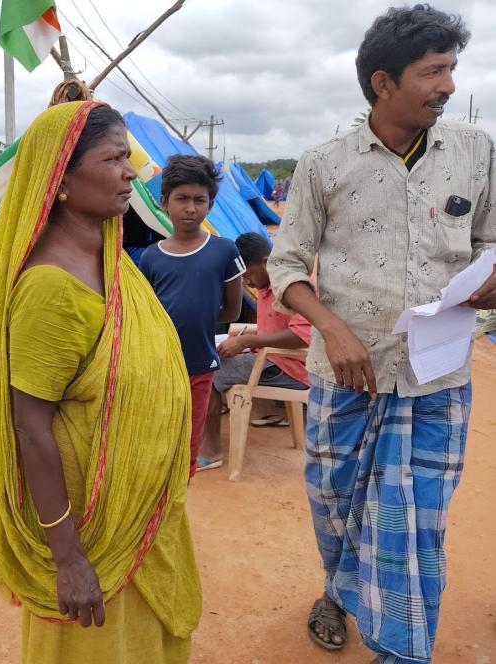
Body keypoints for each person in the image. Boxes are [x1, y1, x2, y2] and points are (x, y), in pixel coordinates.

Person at [268, 6, 496, 663]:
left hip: (437, 379)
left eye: (451, 69)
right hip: (346, 380)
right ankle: (338, 591)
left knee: (413, 526)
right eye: (432, 72)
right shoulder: (322, 165)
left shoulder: (476, 153)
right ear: (381, 82)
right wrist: (332, 329)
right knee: (334, 508)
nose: (448, 85)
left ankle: (398, 648)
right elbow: (286, 264)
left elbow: (491, 239)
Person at [0, 101, 202, 663]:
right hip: (90, 524)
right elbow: (29, 425)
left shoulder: (112, 260)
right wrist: (69, 557)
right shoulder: (50, 289)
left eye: (129, 157)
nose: (131, 171)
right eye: (114, 159)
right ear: (61, 182)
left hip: (138, 506)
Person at [139, 155, 245, 476]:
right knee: (158, 439)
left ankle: (177, 501)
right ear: (163, 202)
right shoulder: (151, 257)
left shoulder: (224, 250)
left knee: (188, 447)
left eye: (200, 200)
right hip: (158, 366)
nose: (190, 208)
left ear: (210, 204)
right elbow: (147, 314)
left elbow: (232, 309)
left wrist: (196, 321)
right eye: (181, 199)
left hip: (200, 365)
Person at [199, 232, 311, 457]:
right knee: (212, 357)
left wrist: (247, 340)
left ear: (266, 262)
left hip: (290, 368)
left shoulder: (291, 286)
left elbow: (301, 336)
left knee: (206, 368)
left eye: (247, 275)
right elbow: (275, 328)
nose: (246, 282)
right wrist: (242, 337)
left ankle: (211, 451)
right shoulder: (267, 284)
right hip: (274, 360)